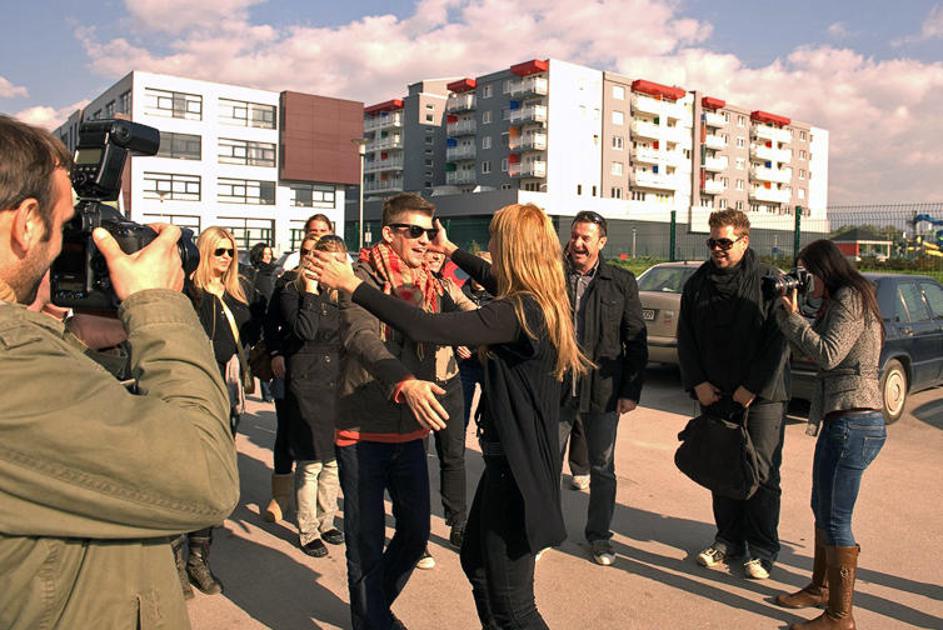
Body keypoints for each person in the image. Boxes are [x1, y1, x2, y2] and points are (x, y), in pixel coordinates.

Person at [0, 115, 237, 628]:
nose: (67, 249)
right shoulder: (13, 365)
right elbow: (206, 478)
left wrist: (72, 340)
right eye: (66, 227)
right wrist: (158, 306)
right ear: (26, 223)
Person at [313, 202, 589, 630]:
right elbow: (495, 279)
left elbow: (427, 327)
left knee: (515, 607)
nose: (491, 248)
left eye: (495, 240)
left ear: (512, 249)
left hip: (517, 471)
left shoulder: (515, 312)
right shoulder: (544, 300)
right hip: (510, 463)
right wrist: (452, 251)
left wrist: (353, 285)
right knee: (477, 565)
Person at [330, 193, 460, 630]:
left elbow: (466, 316)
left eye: (429, 232)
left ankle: (372, 609)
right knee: (364, 540)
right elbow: (361, 337)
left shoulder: (431, 282)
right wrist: (403, 381)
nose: (424, 240)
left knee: (415, 534)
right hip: (363, 429)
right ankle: (372, 620)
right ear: (389, 233)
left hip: (410, 431)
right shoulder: (359, 278)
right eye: (415, 231)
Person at [772, 240, 886, 630]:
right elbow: (808, 344)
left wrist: (794, 319)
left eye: (807, 273)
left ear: (825, 269)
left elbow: (827, 354)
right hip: (841, 419)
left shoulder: (851, 298)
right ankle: (820, 589)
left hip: (856, 421)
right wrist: (789, 312)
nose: (805, 281)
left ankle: (840, 616)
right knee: (822, 507)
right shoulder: (837, 300)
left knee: (837, 518)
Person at [677, 208, 790, 580]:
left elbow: (778, 341)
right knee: (722, 468)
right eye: (711, 242)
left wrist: (751, 387)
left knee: (762, 472)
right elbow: (686, 337)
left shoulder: (769, 282)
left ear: (744, 240)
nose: (717, 249)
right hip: (714, 394)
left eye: (724, 242)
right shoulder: (698, 284)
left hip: (763, 396)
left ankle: (762, 548)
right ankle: (728, 540)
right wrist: (698, 383)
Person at [557, 210, 648, 566]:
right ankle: (544, 531)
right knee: (547, 463)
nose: (578, 244)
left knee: (602, 468)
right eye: (575, 236)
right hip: (557, 387)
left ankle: (599, 537)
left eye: (586, 238)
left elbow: (635, 339)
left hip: (603, 391)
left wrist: (631, 390)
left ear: (602, 242)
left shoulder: (620, 281)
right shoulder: (553, 275)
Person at [181, 225, 256, 596]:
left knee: (212, 476)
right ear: (204, 252)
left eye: (231, 252)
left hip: (226, 390)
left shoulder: (238, 295)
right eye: (219, 251)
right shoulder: (188, 293)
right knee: (184, 476)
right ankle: (173, 561)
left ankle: (198, 558)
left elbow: (254, 333)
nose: (226, 258)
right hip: (190, 389)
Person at [263, 215, 335, 523]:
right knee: (286, 430)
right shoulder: (287, 282)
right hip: (291, 365)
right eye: (307, 247)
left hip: (326, 373)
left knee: (324, 445)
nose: (311, 255)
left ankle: (321, 508)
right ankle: (280, 496)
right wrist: (276, 352)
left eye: (322, 234)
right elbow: (271, 322)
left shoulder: (337, 282)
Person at [280, 233, 347, 557]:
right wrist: (309, 289)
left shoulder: (341, 294)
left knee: (332, 461)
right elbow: (304, 330)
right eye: (328, 260)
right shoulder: (291, 290)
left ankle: (327, 521)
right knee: (310, 463)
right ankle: (308, 529)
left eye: (339, 261)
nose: (333, 267)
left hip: (335, 383)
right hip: (306, 385)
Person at [421, 248, 474, 562]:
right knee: (413, 460)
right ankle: (416, 532)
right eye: (426, 252)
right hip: (418, 384)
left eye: (437, 255)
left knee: (453, 456)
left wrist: (466, 334)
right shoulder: (405, 287)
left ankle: (458, 523)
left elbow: (474, 313)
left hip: (449, 381)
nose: (432, 258)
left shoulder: (447, 287)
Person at [458, 251, 493, 428]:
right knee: (460, 416)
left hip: (489, 364)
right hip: (465, 364)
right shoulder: (459, 294)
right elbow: (450, 325)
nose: (479, 276)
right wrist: (457, 345)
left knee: (491, 417)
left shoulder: (498, 297)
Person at [247, 241, 278, 402]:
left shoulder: (274, 273)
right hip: (260, 319)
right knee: (263, 353)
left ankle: (269, 391)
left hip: (273, 318)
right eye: (264, 254)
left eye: (269, 254)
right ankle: (267, 392)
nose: (267, 257)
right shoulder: (255, 274)